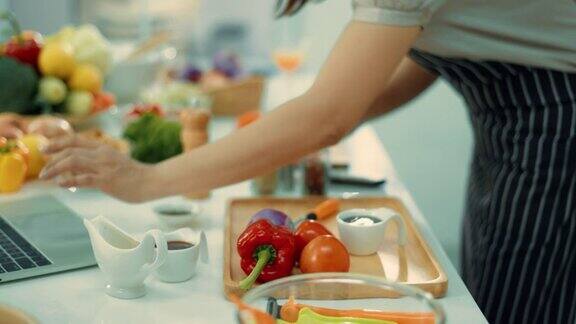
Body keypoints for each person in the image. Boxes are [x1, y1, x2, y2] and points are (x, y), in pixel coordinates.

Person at [40, 0, 576, 323]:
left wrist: (146, 180)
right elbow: (418, 65)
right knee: (489, 299)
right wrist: (321, 121)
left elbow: (326, 115)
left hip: (558, 128)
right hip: (513, 128)